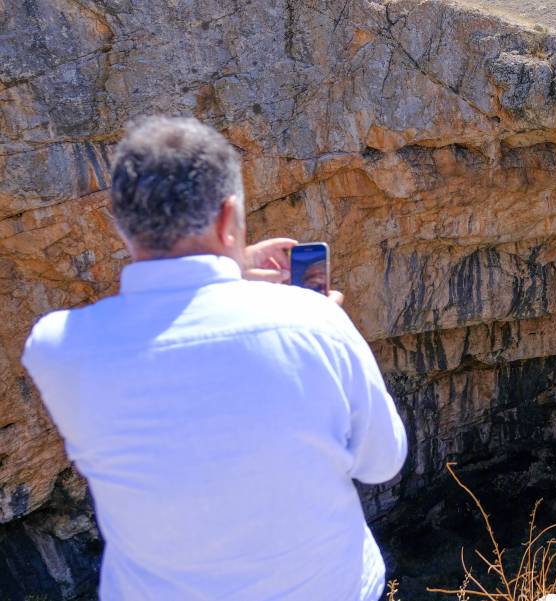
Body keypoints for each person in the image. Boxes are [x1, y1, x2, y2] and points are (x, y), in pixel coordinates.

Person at [21, 117, 407, 601]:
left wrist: (231, 267)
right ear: (228, 218)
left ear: (122, 225)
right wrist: (257, 280)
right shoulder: (313, 321)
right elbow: (382, 463)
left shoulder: (58, 348)